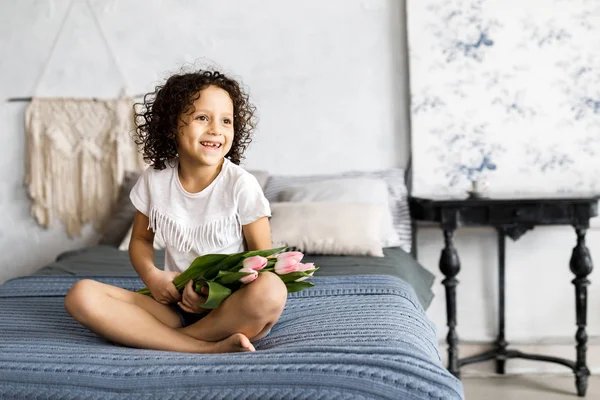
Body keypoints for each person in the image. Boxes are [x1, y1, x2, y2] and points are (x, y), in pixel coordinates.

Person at [64, 69, 288, 353]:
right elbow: (142, 241)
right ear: (172, 126)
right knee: (80, 295)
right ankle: (201, 346)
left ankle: (164, 339)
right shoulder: (155, 180)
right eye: (202, 118)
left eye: (226, 121)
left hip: (230, 305)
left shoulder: (241, 185)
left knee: (271, 289)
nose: (216, 129)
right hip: (175, 306)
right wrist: (153, 277)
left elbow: (261, 260)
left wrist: (210, 296)